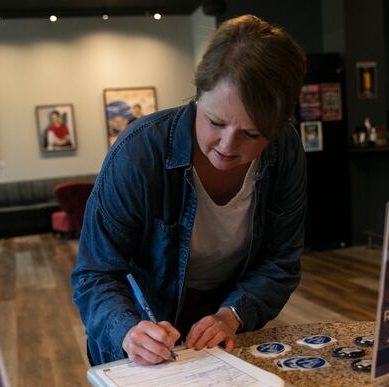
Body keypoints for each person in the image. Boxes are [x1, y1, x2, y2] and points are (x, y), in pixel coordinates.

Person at [72, 15, 307, 366]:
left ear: (278, 127)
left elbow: (280, 261)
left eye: (252, 134)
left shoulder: (285, 149)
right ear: (197, 94)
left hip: (226, 324)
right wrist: (127, 330)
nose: (228, 146)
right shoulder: (139, 152)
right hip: (141, 328)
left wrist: (232, 315)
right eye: (216, 122)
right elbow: (94, 273)